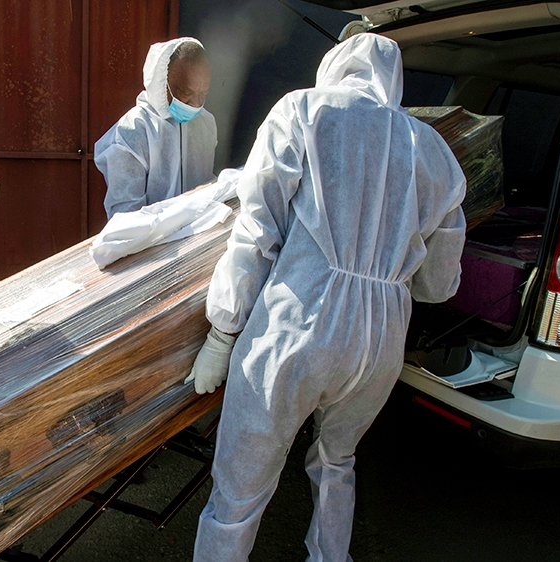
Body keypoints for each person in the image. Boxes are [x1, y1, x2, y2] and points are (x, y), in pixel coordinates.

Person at [187, 33, 467, 561]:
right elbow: (437, 285)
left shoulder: (303, 110)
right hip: (380, 342)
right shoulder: (434, 151)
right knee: (338, 460)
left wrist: (223, 332)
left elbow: (256, 229)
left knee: (240, 493)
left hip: (298, 327)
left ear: (334, 68)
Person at [94, 37, 217, 218]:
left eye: (203, 94)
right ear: (161, 82)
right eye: (186, 93)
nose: (195, 104)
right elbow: (126, 217)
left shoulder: (205, 123)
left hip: (197, 235)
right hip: (151, 241)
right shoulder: (132, 131)